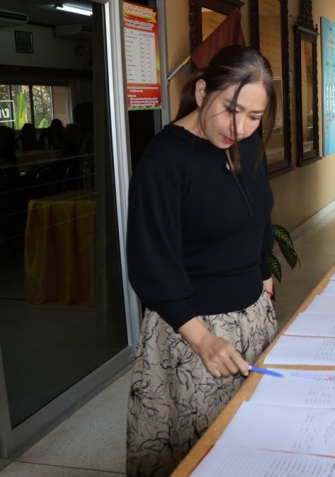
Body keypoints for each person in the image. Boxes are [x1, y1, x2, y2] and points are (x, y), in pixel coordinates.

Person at [125, 45, 279, 476]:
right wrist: (203, 341)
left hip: (253, 318)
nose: (240, 127)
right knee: (203, 455)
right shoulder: (165, 159)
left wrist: (263, 274)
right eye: (231, 109)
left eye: (254, 116)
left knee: (256, 447)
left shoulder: (248, 143)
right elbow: (150, 263)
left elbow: (258, 213)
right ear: (200, 92)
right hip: (194, 333)